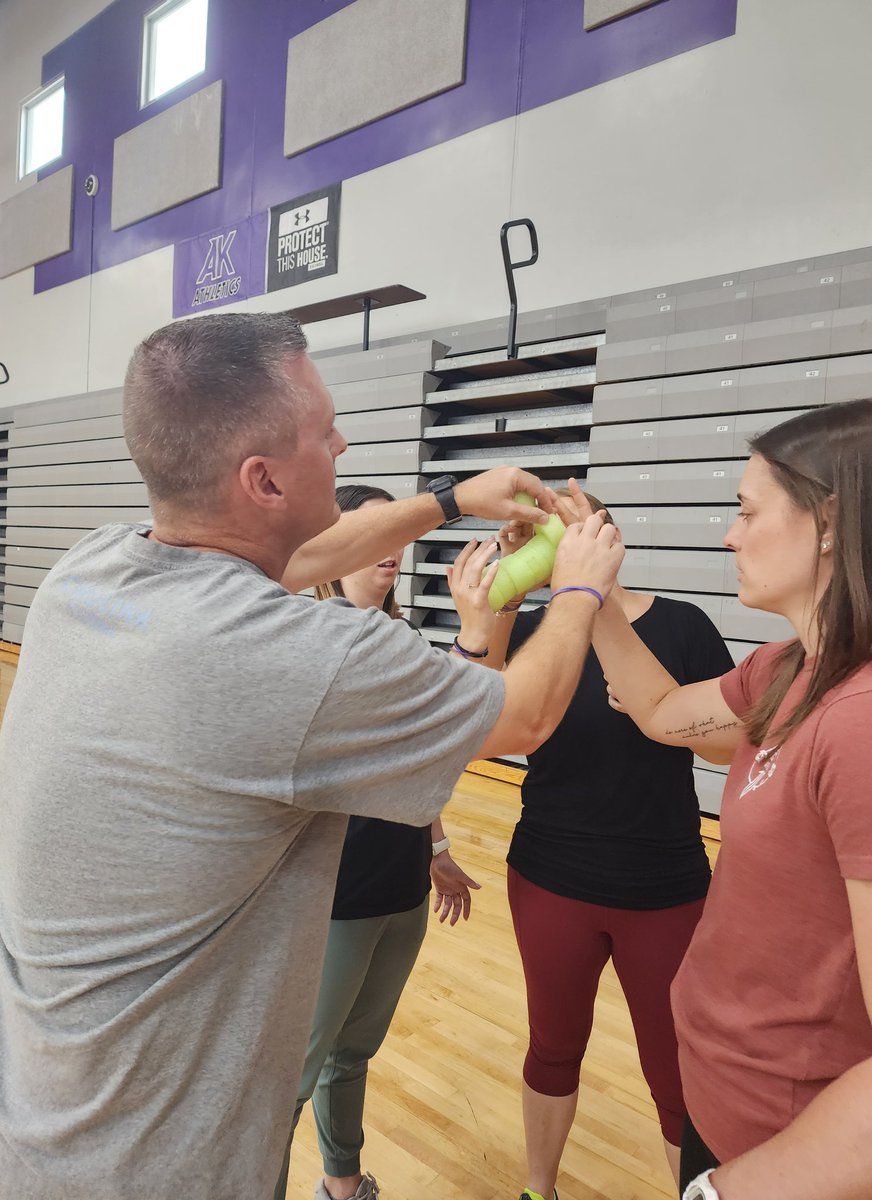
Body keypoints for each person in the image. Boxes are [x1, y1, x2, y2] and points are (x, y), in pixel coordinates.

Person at [0, 311, 624, 1200]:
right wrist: (577, 588)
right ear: (262, 480)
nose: (341, 440)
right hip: (156, 1164)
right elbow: (521, 719)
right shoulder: (301, 657)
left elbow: (301, 558)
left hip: (42, 1117)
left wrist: (449, 502)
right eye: (323, 429)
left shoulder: (89, 571)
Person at [576, 398, 872, 1200]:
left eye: (748, 511)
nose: (729, 534)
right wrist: (590, 593)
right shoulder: (784, 669)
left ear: (829, 524)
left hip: (799, 1149)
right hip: (723, 1099)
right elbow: (657, 711)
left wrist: (731, 1194)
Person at [447, 492, 733, 1200]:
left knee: (675, 1073)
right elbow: (478, 722)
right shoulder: (549, 630)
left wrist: (657, 710)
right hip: (551, 875)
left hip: (664, 885)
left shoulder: (684, 625)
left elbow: (729, 744)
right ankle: (537, 1189)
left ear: (605, 538)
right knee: (553, 1045)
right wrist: (503, 589)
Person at [274, 482, 486, 1200]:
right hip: (333, 900)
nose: (392, 547)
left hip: (399, 888)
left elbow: (422, 762)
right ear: (335, 548)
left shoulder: (403, 642)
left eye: (398, 533)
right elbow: (484, 718)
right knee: (293, 1077)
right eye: (372, 532)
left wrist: (436, 849)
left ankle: (342, 1183)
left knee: (354, 1053)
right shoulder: (308, 643)